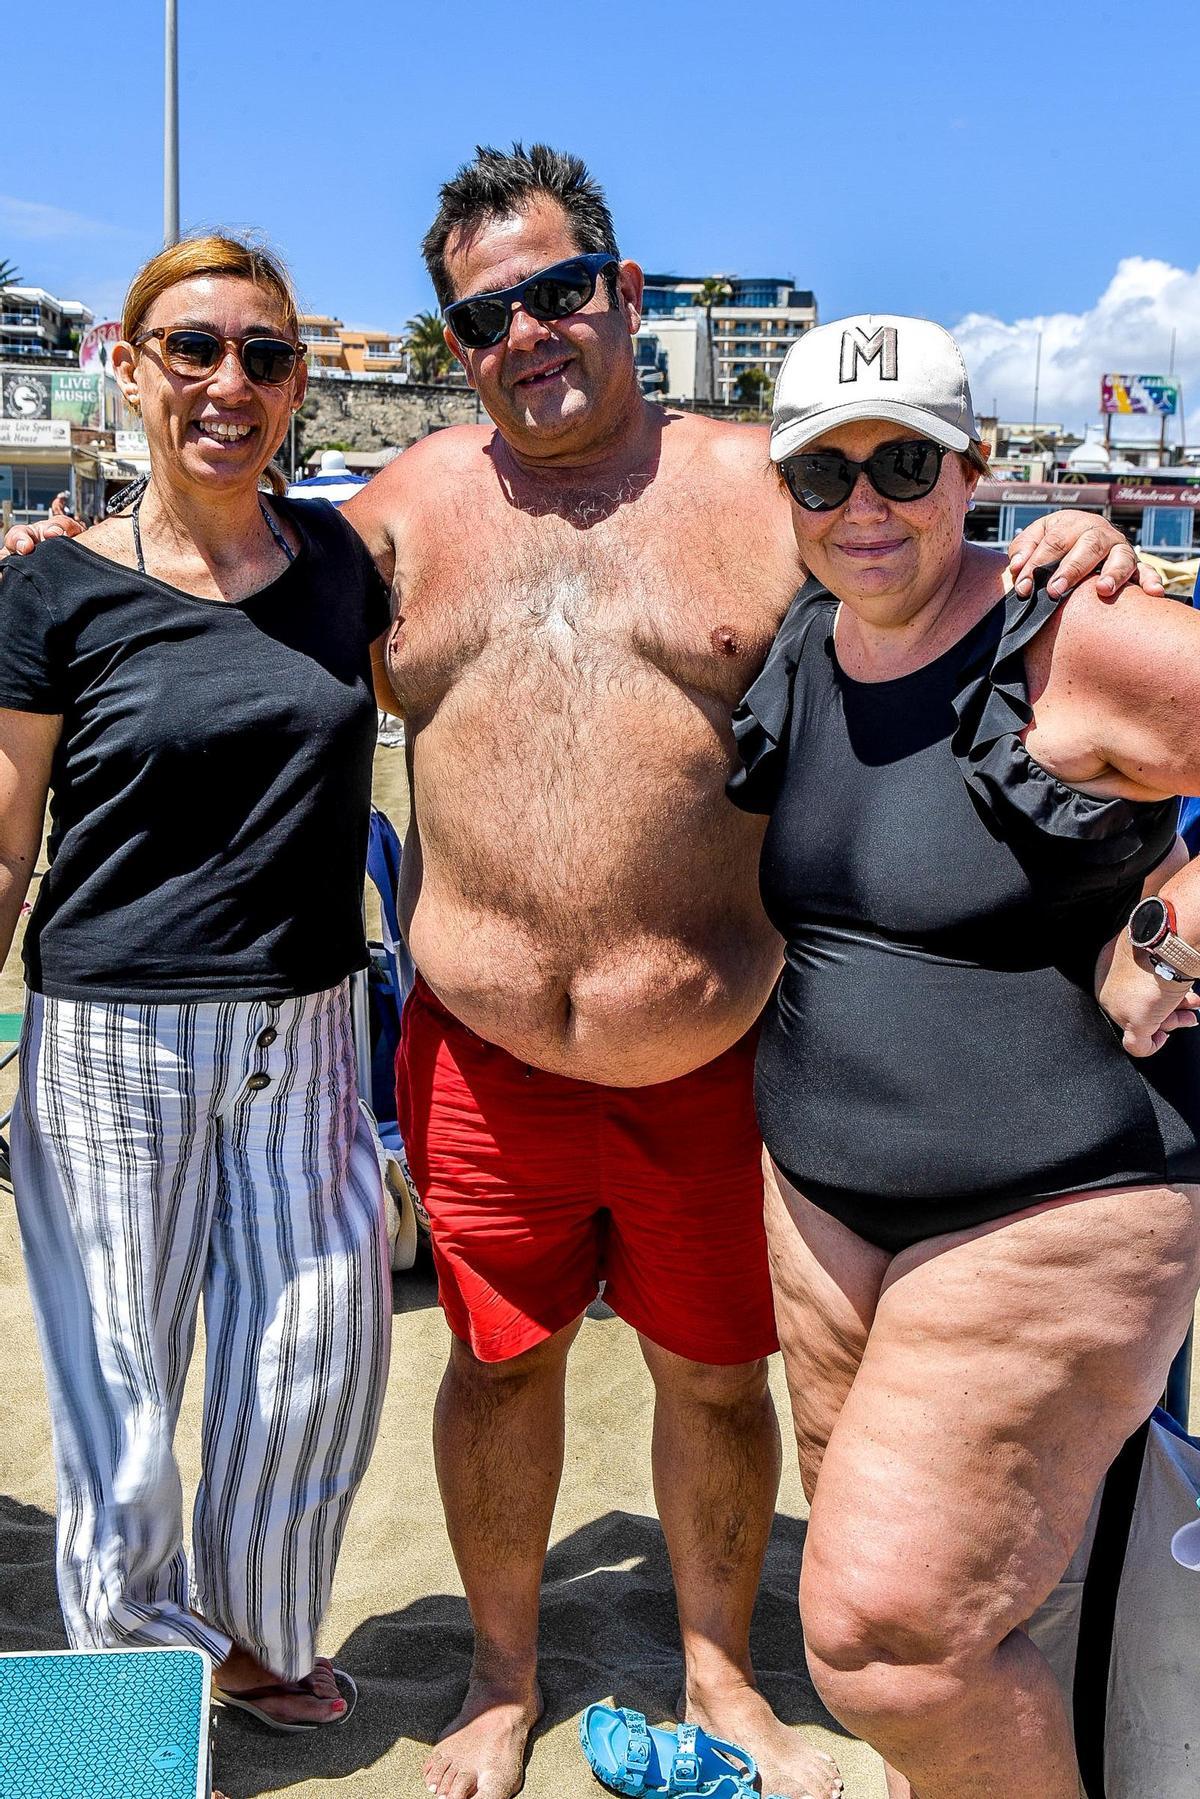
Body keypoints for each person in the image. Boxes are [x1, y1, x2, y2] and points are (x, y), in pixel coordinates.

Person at [3, 161, 1148, 1799]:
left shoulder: (775, 489)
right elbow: (189, 582)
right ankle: (469, 1685)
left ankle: (704, 1676)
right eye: (487, 314)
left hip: (707, 1048)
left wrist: (1073, 541)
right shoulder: (391, 516)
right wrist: (63, 557)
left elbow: (936, 579)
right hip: (451, 1056)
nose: (529, 332)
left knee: (662, 1375)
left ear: (621, 291)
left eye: (560, 291)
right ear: (453, 339)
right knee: (450, 1368)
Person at [727, 313, 1200, 1798]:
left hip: (1053, 1200)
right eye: (826, 475)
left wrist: (1180, 919)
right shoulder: (811, 634)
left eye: (905, 464)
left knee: (882, 1637)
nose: (864, 506)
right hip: (820, 1200)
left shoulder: (1074, 632)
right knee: (970, 1615)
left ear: (972, 469)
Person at [0, 235, 394, 1733]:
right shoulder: (55, 595)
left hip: (306, 1028)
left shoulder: (344, 565)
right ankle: (108, 1745)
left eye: (267, 354)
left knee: (314, 1366)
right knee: (120, 1417)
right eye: (196, 349)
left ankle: (242, 1643)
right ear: (131, 361)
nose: (233, 384)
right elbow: (3, 843)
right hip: (109, 1033)